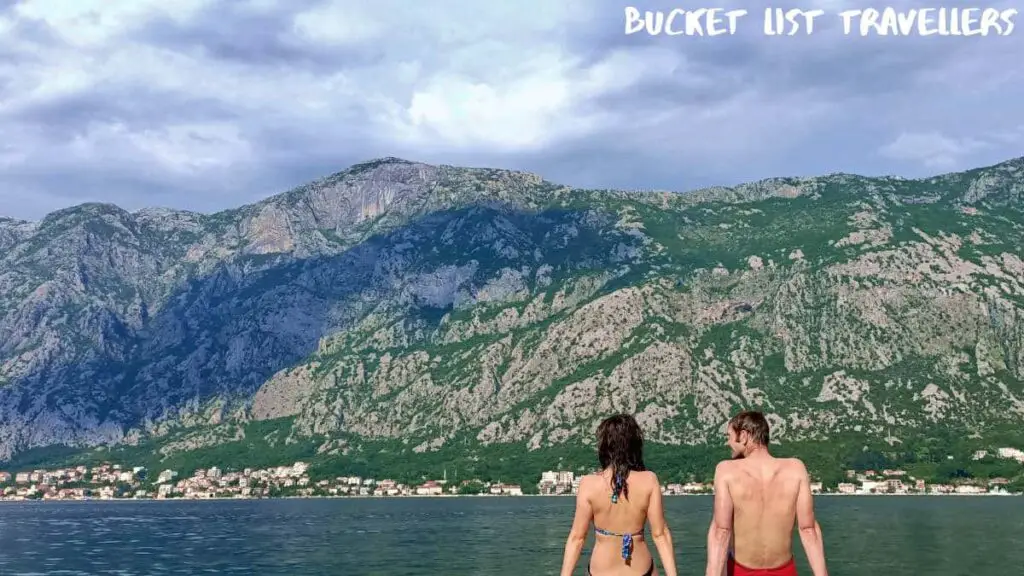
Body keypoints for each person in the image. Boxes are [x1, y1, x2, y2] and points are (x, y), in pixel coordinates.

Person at [704, 410, 828, 576]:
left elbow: (721, 531)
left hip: (741, 571)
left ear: (744, 435)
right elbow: (808, 530)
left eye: (729, 436)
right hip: (785, 571)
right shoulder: (796, 469)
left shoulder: (726, 470)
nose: (728, 443)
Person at [559, 414, 678, 576]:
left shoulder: (588, 484)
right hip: (642, 570)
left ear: (604, 447)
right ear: (635, 445)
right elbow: (660, 534)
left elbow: (577, 538)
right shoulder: (649, 480)